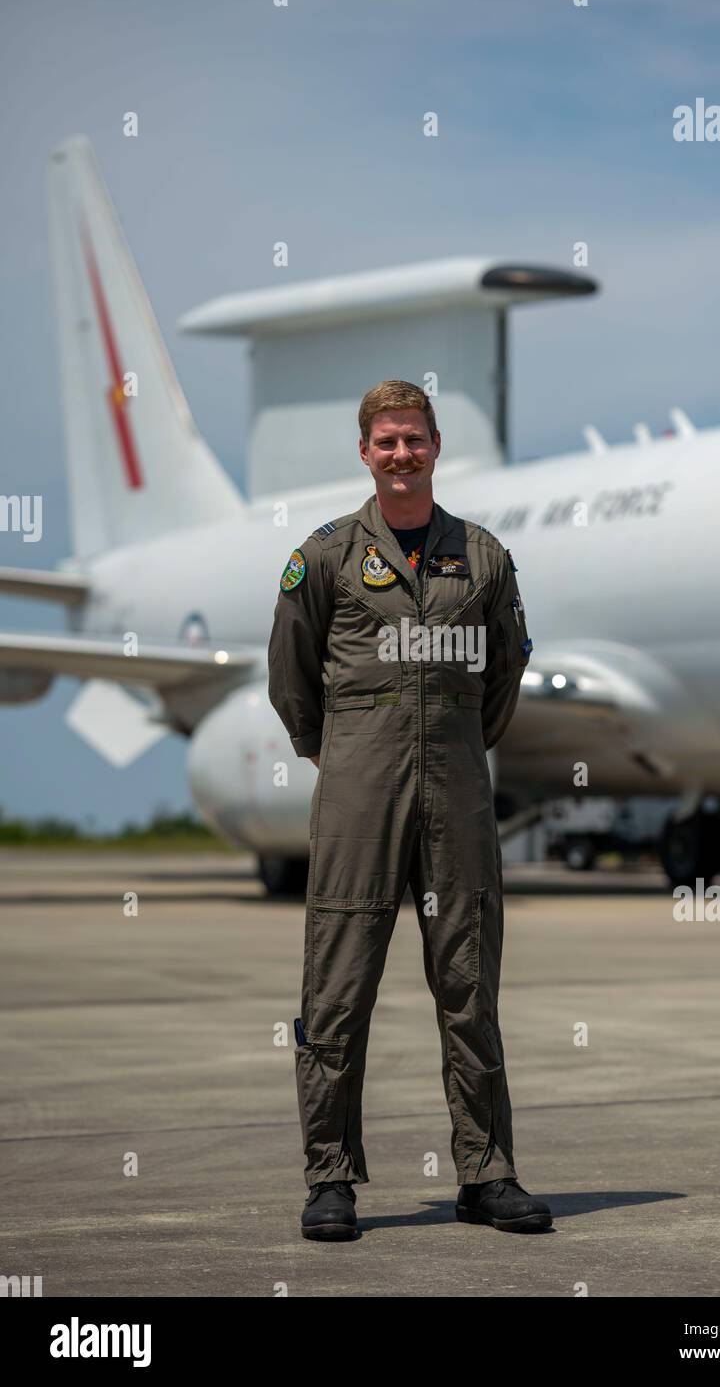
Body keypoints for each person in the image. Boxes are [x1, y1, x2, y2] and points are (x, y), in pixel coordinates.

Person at [268, 378, 552, 1239]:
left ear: (436, 448)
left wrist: (459, 748)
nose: (402, 454)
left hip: (458, 798)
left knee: (469, 986)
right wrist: (345, 755)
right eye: (386, 441)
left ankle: (486, 1174)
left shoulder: (485, 556)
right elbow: (292, 677)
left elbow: (503, 679)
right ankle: (331, 1181)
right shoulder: (324, 557)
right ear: (365, 452)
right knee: (339, 987)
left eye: (415, 440)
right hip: (361, 791)